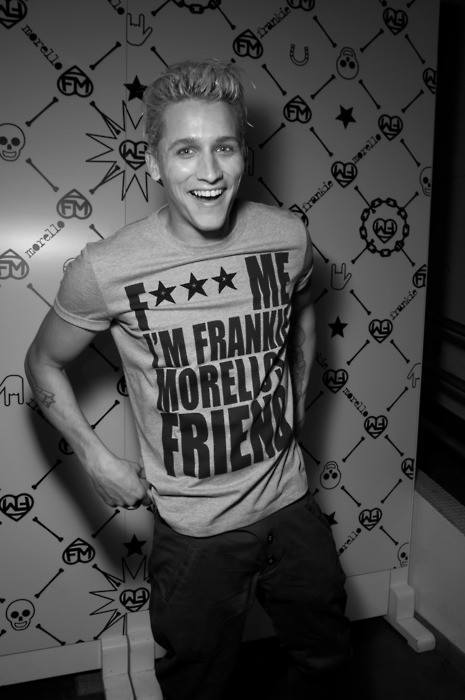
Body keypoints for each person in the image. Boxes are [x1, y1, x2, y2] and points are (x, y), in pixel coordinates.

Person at [25, 59, 351, 700]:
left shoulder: (286, 236)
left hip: (290, 507)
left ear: (243, 155)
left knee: (327, 660)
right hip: (193, 531)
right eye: (185, 151)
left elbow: (306, 308)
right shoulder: (105, 268)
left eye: (223, 148)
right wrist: (96, 459)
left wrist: (294, 400)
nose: (209, 172)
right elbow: (41, 363)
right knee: (199, 685)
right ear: (153, 163)